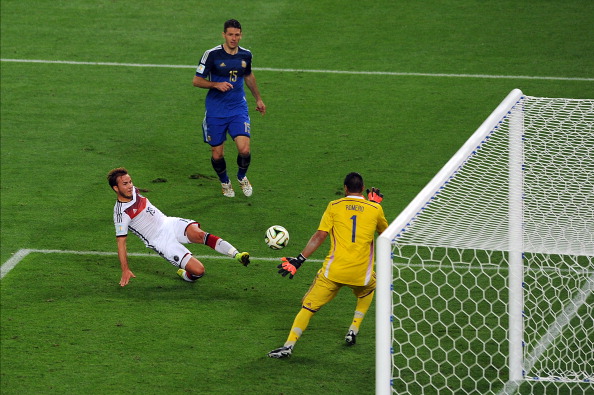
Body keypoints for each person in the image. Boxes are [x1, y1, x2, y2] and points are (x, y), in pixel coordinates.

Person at [268, 172, 388, 358]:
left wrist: (299, 260)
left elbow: (320, 235)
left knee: (308, 308)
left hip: (333, 272)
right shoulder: (375, 209)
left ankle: (288, 345)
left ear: (345, 189)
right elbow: (386, 234)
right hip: (360, 275)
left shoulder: (334, 206)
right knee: (369, 288)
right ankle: (353, 329)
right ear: (363, 189)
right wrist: (374, 206)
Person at [107, 167, 250, 287]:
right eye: (125, 184)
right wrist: (125, 269)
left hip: (169, 223)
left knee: (200, 235)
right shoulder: (120, 213)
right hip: (161, 241)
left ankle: (237, 254)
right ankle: (185, 274)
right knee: (199, 271)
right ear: (115, 188)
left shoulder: (134, 191)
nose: (130, 186)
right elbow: (121, 243)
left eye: (130, 182)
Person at [193, 19, 266, 198]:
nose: (234, 38)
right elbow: (197, 80)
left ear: (241, 35)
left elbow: (248, 76)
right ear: (224, 35)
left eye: (237, 35)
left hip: (237, 109)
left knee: (244, 149)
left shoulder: (246, 55)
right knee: (217, 154)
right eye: (230, 34)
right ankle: (225, 182)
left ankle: (241, 177)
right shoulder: (211, 55)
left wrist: (258, 99)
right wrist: (215, 84)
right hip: (216, 111)